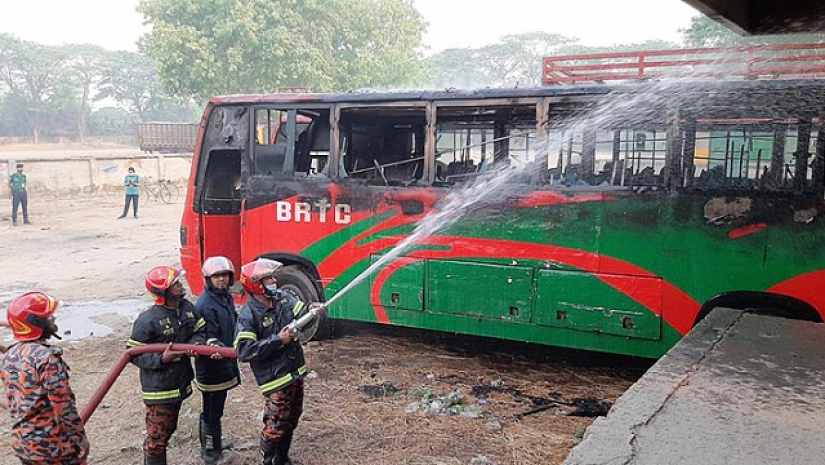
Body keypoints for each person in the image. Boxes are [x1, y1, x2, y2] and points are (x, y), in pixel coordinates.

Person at [234, 258, 325, 465]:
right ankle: (265, 461)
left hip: (294, 370)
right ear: (256, 284)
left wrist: (311, 309)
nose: (274, 281)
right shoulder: (248, 316)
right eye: (269, 279)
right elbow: (245, 350)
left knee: (292, 418)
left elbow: (301, 312)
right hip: (275, 378)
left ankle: (282, 460)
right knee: (275, 425)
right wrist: (278, 340)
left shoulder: (281, 298)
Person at [0, 292, 89, 464]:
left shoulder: (10, 355)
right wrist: (80, 440)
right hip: (53, 448)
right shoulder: (47, 358)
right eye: (48, 317)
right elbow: (63, 405)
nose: (53, 319)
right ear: (37, 323)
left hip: (24, 445)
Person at [128, 266, 204, 465]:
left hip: (179, 382)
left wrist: (196, 343)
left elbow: (200, 329)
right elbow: (133, 354)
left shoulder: (187, 308)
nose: (180, 285)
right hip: (159, 389)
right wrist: (162, 359)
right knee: (157, 438)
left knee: (168, 429)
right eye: (175, 284)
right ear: (163, 292)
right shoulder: (148, 320)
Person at [192, 256, 241, 464]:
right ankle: (211, 452)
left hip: (225, 362)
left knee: (216, 408)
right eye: (217, 276)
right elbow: (206, 334)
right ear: (208, 279)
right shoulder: (205, 304)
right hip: (211, 367)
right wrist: (213, 344)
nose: (222, 279)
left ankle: (214, 442)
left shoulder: (224, 298)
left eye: (225, 275)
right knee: (211, 409)